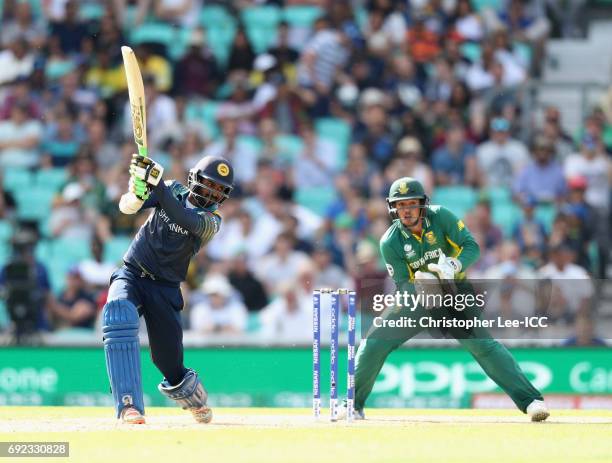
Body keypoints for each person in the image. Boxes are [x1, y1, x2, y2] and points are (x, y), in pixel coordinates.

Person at [338, 177, 549, 422]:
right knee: (373, 342)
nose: (406, 210)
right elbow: (403, 284)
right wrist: (422, 288)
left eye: (411, 204)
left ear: (422, 204)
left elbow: (471, 246)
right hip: (418, 298)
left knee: (483, 346)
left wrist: (454, 264)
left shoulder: (440, 216)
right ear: (393, 208)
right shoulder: (389, 241)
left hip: (455, 291)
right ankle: (353, 404)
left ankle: (531, 401)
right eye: (400, 205)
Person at [102, 154, 234, 425]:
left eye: (219, 190)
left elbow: (182, 216)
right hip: (132, 273)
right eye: (209, 184)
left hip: (165, 288)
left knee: (169, 364)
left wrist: (157, 183)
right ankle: (128, 405)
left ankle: (192, 397)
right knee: (118, 314)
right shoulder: (173, 188)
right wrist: (138, 187)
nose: (212, 193)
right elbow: (128, 207)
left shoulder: (212, 221)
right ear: (194, 179)